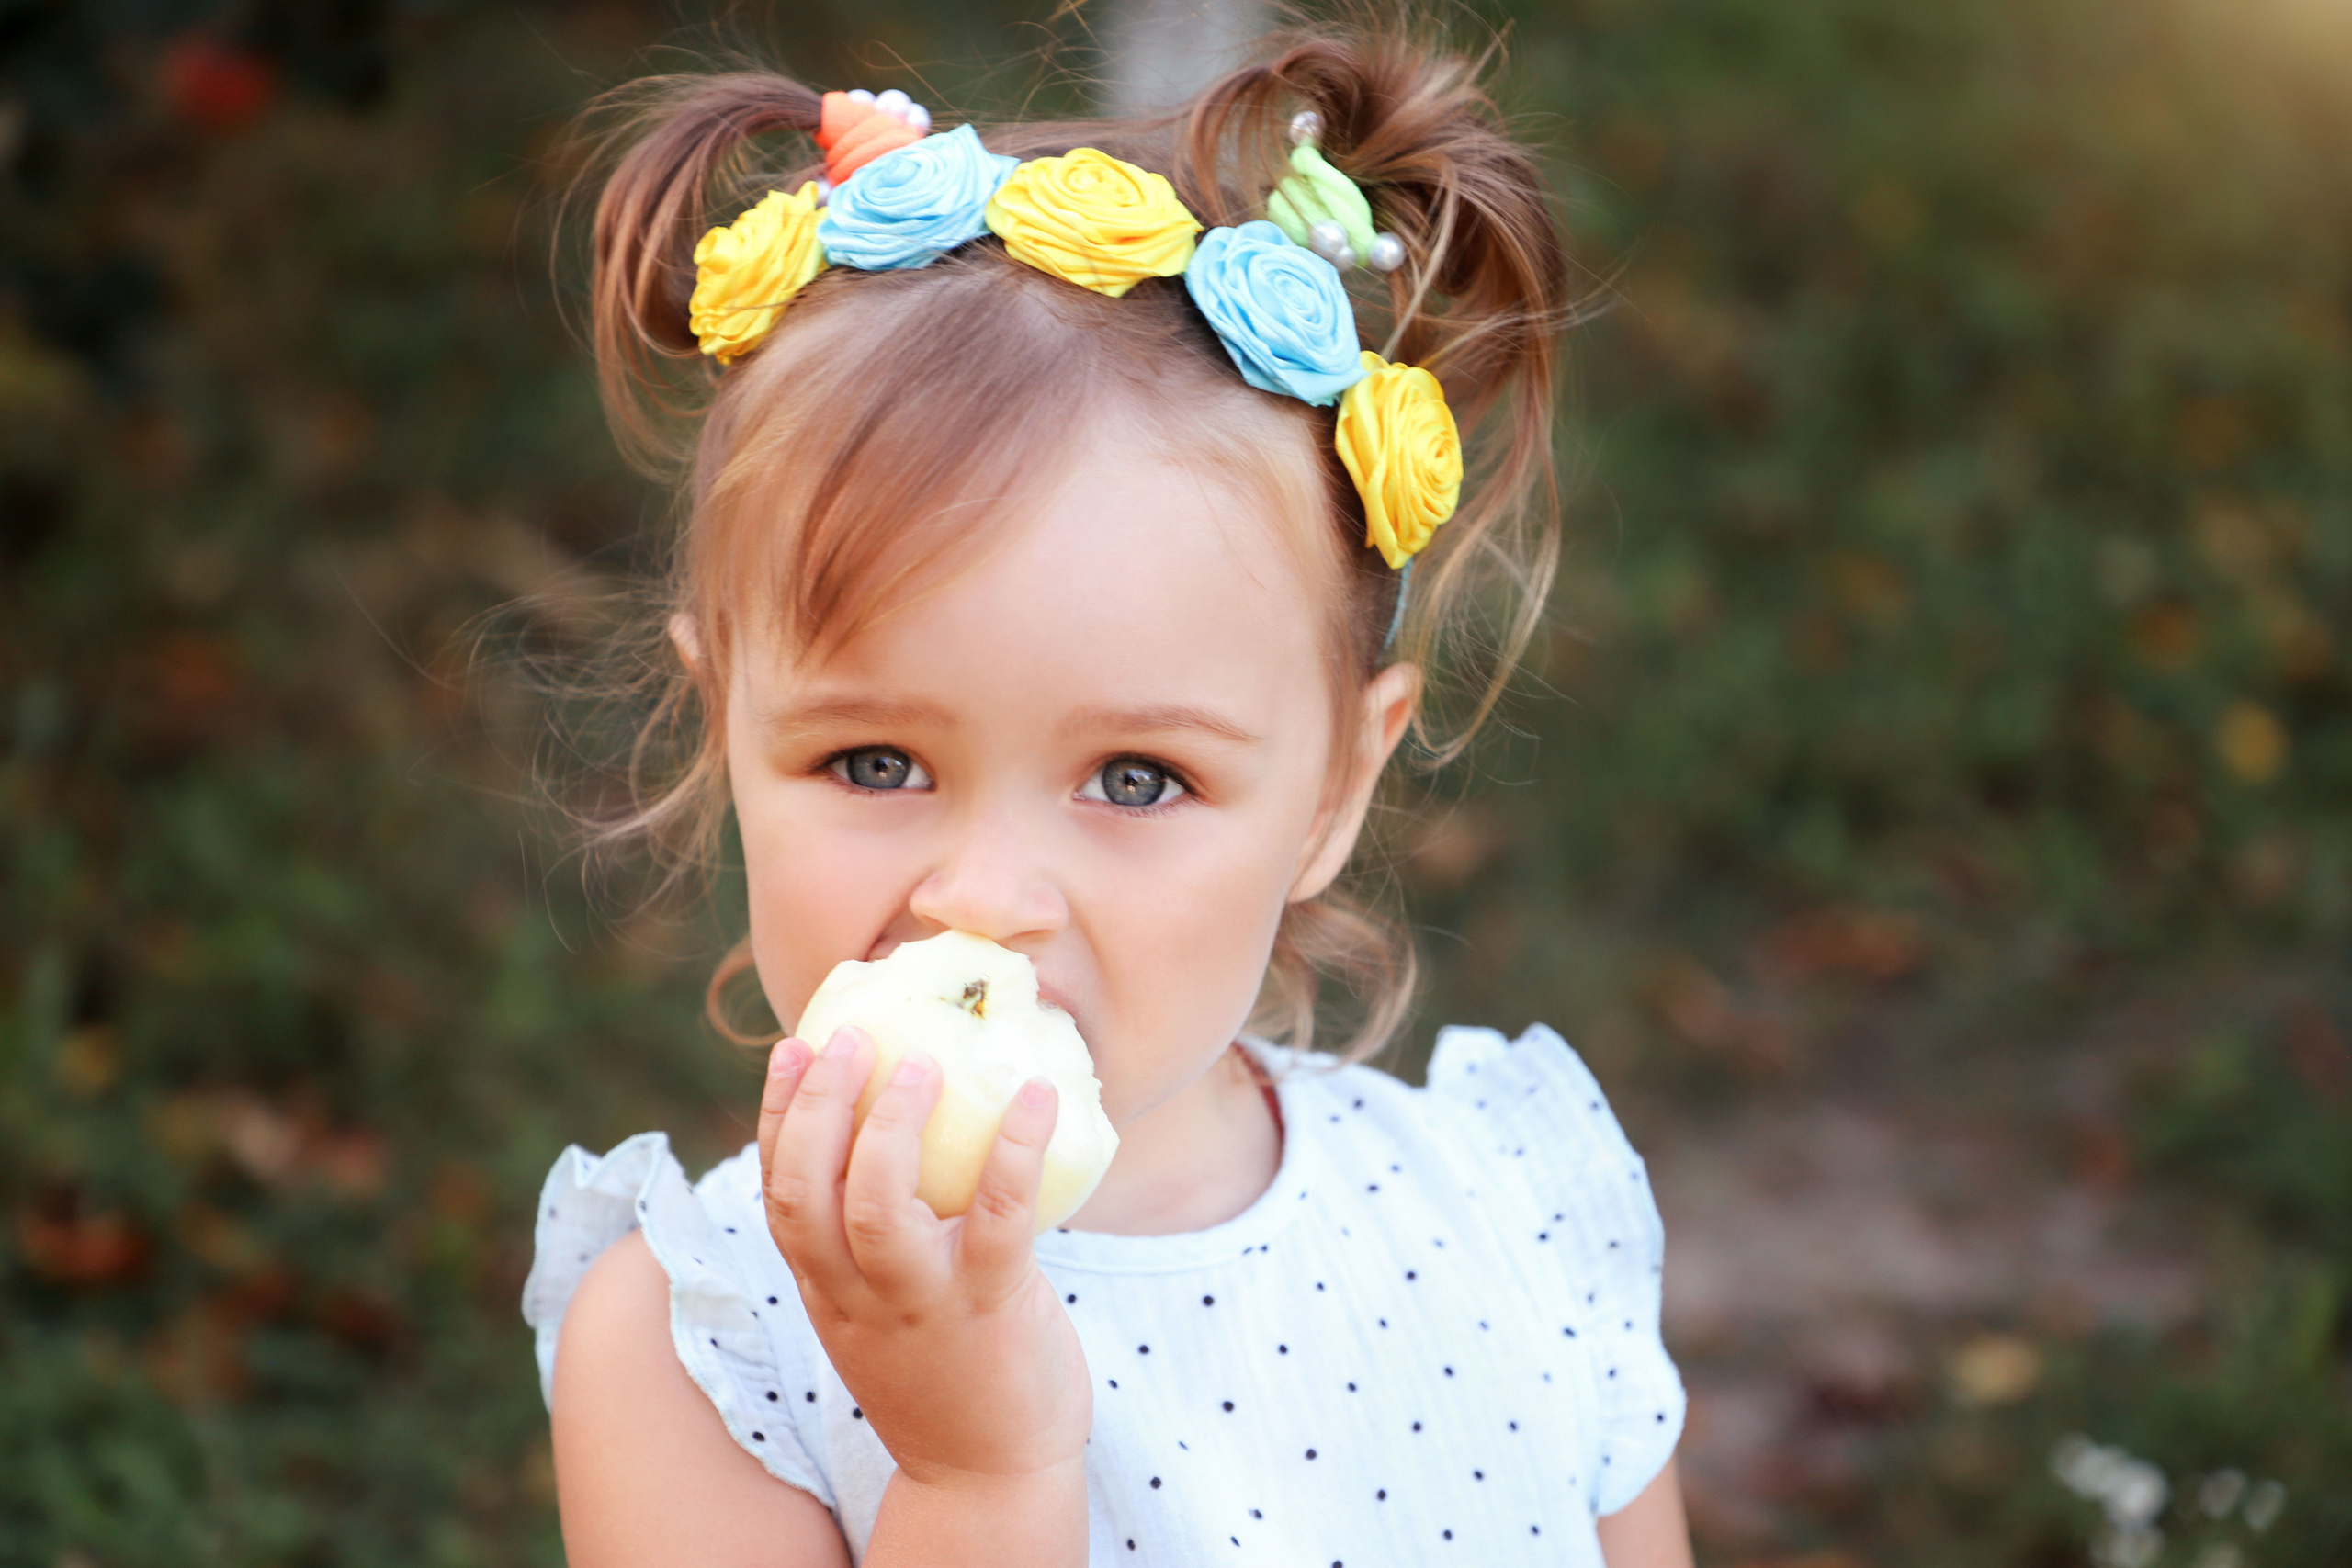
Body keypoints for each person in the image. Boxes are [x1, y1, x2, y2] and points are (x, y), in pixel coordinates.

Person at [519, 20, 1692, 1567]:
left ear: (1339, 784)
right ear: (724, 724)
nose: (985, 898)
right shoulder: (700, 1344)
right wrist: (976, 1474)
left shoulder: (1507, 1219)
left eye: (1137, 777)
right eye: (876, 762)